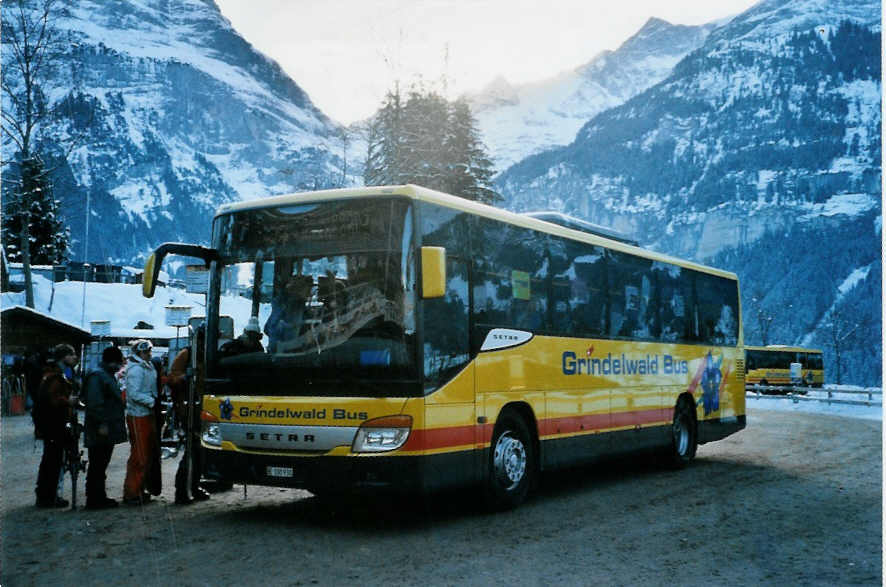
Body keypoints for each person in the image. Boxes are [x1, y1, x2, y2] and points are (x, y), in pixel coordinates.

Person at [166, 330, 211, 505]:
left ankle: (194, 485)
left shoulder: (206, 355)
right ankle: (182, 490)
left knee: (201, 451)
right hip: (188, 409)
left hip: (202, 408)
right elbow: (172, 379)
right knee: (192, 450)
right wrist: (186, 377)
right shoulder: (186, 355)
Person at [33, 344, 79, 508]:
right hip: (53, 423)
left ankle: (47, 495)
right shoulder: (54, 376)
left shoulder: (58, 374)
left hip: (54, 423)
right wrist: (68, 401)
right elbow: (52, 399)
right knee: (52, 460)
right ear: (64, 357)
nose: (74, 357)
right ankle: (47, 496)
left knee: (53, 460)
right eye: (71, 354)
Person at [83, 346, 127, 509]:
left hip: (105, 427)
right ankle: (95, 499)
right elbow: (95, 403)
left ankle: (98, 496)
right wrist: (102, 423)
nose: (120, 366)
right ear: (112, 362)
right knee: (98, 464)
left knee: (100, 464)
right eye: (119, 362)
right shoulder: (98, 376)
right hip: (100, 428)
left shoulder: (104, 375)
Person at [122, 339, 158, 505]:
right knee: (139, 455)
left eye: (149, 351)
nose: (149, 354)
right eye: (145, 351)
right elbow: (133, 394)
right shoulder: (136, 369)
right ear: (139, 353)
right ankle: (131, 492)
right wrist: (152, 401)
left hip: (146, 413)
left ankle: (139, 489)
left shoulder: (146, 366)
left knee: (145, 454)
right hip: (138, 415)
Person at [264, 275, 312, 352]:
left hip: (277, 350)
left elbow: (267, 328)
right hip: (285, 352)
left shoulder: (281, 302)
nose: (310, 294)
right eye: (308, 290)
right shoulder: (295, 306)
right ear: (299, 289)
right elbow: (289, 331)